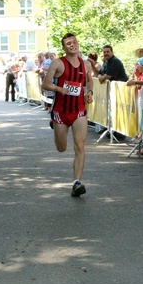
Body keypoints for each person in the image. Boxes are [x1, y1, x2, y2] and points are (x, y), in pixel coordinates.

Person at [43, 33, 94, 197]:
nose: (72, 45)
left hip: (79, 111)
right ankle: (55, 126)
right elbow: (45, 84)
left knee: (80, 146)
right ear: (64, 48)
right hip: (60, 111)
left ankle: (76, 183)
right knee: (61, 148)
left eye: (74, 42)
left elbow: (89, 80)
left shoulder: (86, 64)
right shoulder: (58, 63)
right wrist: (59, 89)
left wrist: (90, 92)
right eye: (68, 43)